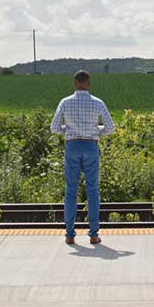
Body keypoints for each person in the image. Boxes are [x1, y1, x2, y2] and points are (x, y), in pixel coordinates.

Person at [50, 70, 115, 245]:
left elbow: (54, 128)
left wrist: (69, 131)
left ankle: (70, 235)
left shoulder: (65, 102)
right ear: (88, 83)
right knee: (92, 191)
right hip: (91, 146)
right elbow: (110, 128)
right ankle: (94, 234)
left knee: (71, 190)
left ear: (74, 83)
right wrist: (96, 131)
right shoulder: (98, 103)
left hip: (72, 146)